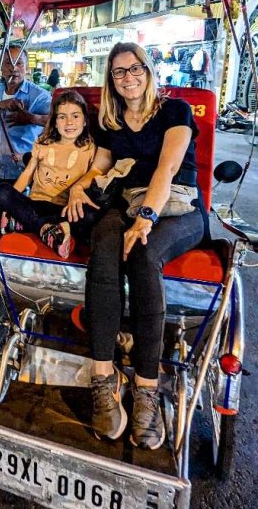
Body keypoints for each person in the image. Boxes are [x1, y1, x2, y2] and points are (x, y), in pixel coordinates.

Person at [67, 42, 205, 451]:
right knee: (103, 248)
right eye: (119, 72)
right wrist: (79, 186)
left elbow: (167, 168)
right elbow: (103, 165)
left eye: (135, 69)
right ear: (111, 79)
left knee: (143, 254)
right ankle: (103, 378)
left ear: (148, 70)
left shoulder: (175, 111)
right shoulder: (111, 121)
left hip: (177, 207)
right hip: (127, 202)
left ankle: (147, 387)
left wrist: (146, 219)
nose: (128, 78)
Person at [0, 91, 95, 259]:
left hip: (63, 210)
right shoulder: (43, 143)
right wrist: (10, 202)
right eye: (62, 117)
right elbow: (27, 174)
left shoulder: (89, 148)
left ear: (85, 120)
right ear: (54, 121)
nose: (69, 122)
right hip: (36, 203)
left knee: (90, 215)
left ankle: (25, 222)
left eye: (75, 116)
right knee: (2, 190)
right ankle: (45, 229)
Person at [0, 44, 52, 193]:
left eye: (19, 63)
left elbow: (58, 121)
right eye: (8, 63)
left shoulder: (39, 96)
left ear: (26, 67)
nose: (13, 68)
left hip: (25, 170)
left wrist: (31, 118)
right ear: (1, 68)